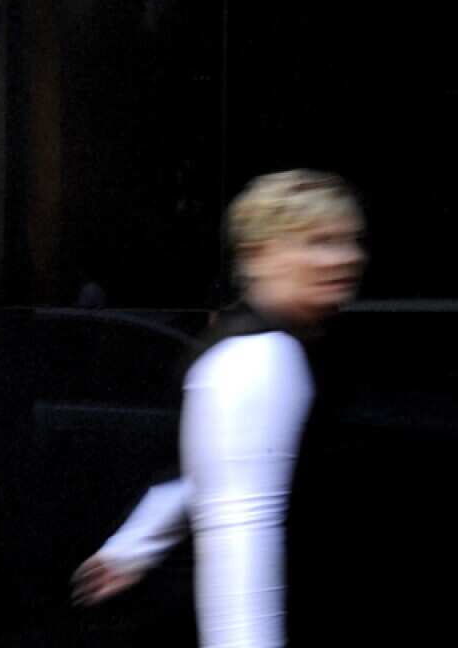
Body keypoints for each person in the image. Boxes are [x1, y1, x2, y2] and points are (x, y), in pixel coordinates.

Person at [70, 169, 367, 647]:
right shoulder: (260, 356)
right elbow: (242, 543)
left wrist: (134, 546)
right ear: (259, 254)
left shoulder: (265, 339)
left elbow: (208, 472)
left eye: (348, 240)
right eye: (318, 241)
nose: (345, 258)